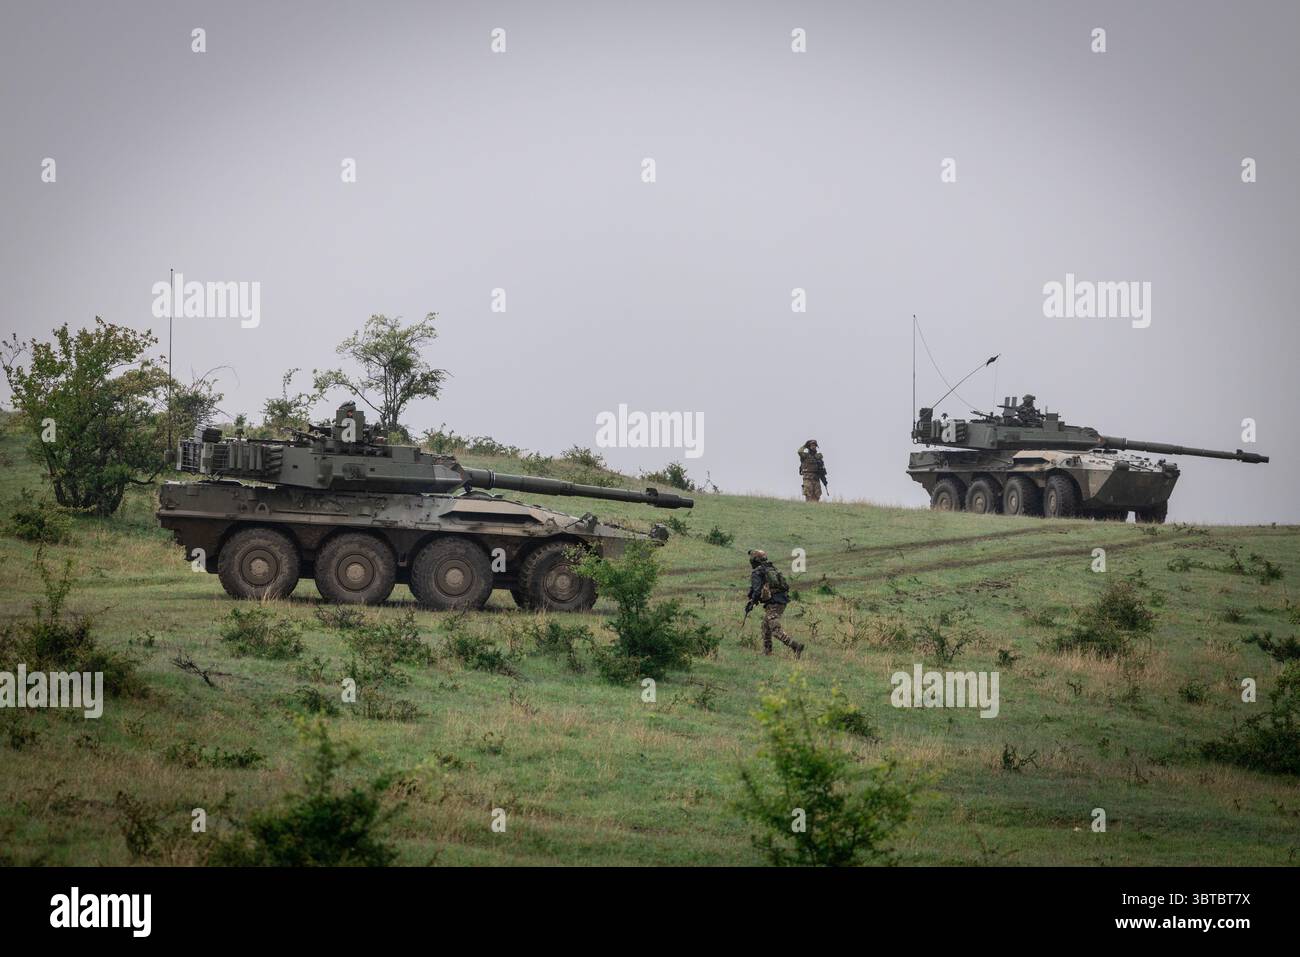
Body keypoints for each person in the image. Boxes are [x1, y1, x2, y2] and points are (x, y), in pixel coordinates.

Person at [746, 549, 804, 658]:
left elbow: (757, 591)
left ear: (754, 560)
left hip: (774, 602)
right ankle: (767, 652)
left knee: (775, 629)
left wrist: (752, 602)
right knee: (765, 625)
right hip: (780, 600)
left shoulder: (757, 572)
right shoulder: (770, 568)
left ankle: (795, 646)